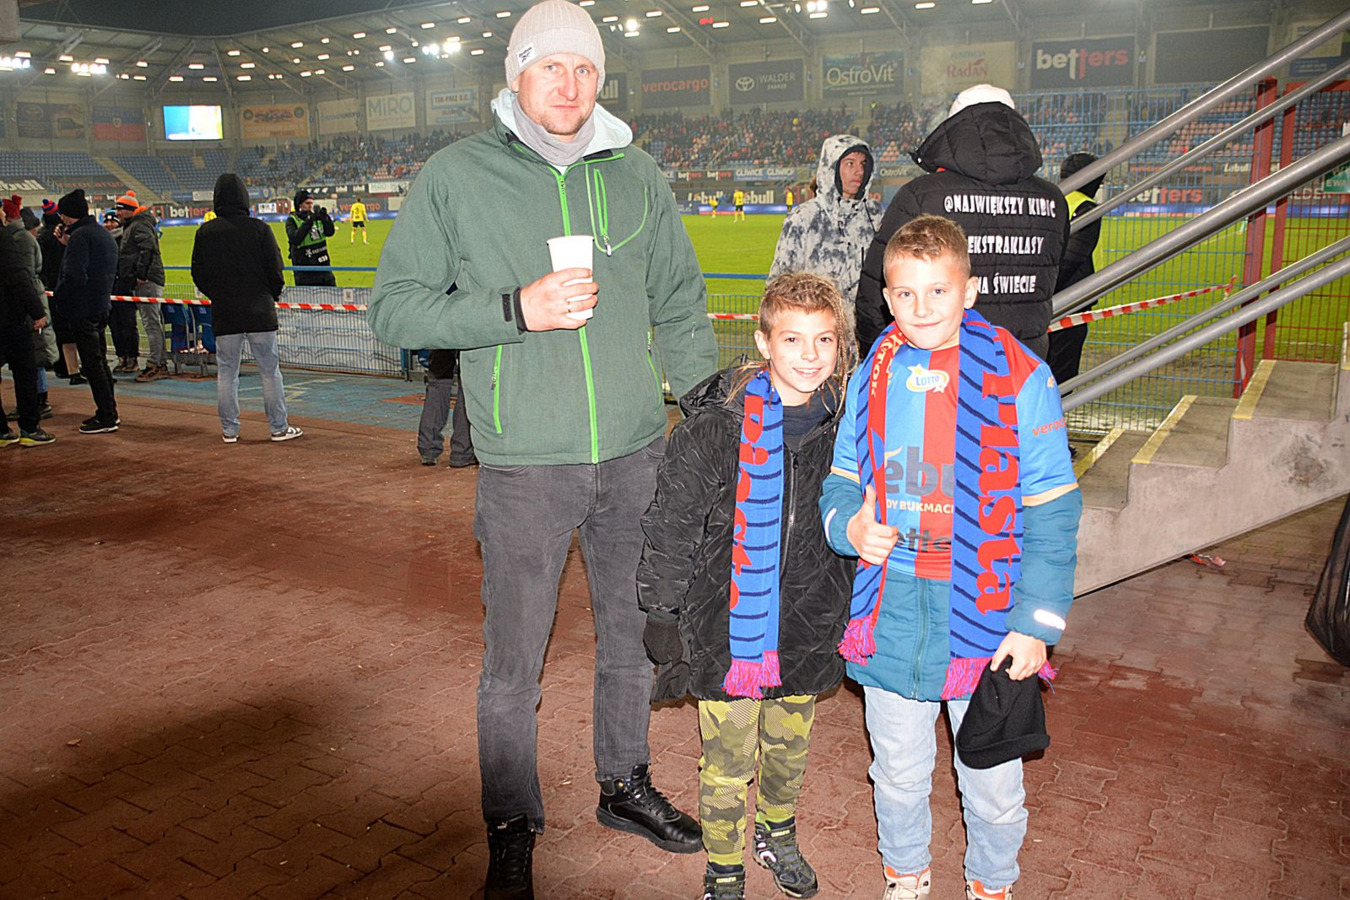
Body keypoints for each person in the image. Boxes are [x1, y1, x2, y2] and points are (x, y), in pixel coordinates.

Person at [367, 1, 719, 896]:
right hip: (524, 463)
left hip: (636, 454)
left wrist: (709, 412)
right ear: (517, 76)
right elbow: (394, 309)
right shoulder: (456, 176)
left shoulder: (637, 172)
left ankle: (624, 782)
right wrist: (513, 309)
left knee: (633, 638)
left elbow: (680, 299)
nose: (570, 84)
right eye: (551, 66)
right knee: (513, 662)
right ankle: (512, 821)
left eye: (585, 67)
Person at [819, 216, 1081, 900]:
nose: (921, 308)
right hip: (891, 611)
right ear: (887, 297)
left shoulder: (1021, 378)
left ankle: (991, 883)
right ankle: (905, 874)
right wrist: (849, 526)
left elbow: (1053, 511)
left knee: (991, 783)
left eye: (938, 291)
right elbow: (840, 479)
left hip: (987, 617)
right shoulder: (873, 373)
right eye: (905, 294)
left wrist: (1037, 624)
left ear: (969, 291)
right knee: (897, 773)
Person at [637, 272, 857, 900]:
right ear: (763, 342)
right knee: (728, 761)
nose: (809, 356)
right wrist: (662, 608)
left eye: (824, 340)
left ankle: (777, 833)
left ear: (840, 346)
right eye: (792, 339)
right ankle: (724, 865)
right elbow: (673, 522)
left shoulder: (849, 428)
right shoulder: (716, 429)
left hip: (810, 623)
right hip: (728, 630)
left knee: (788, 751)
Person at [856, 85, 1069, 360]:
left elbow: (876, 289)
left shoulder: (921, 195)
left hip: (937, 368)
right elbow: (1054, 276)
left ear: (954, 129)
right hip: (1023, 365)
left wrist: (877, 357)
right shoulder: (1053, 199)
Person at [191, 173, 303, 444]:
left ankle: (229, 431)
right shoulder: (259, 229)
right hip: (259, 310)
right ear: (244, 197)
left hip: (225, 311)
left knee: (227, 372)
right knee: (269, 371)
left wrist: (218, 295)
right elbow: (276, 268)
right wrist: (270, 294)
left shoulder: (205, 232)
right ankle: (278, 428)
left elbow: (198, 273)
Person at [770, 134, 881, 313]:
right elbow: (779, 283)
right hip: (817, 323)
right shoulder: (804, 218)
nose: (859, 171)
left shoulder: (875, 215)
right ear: (832, 168)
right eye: (850, 164)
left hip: (866, 327)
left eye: (863, 164)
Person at [53, 189, 120, 434]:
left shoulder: (80, 237)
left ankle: (107, 415)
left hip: (83, 308)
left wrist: (60, 296)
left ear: (66, 215)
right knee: (99, 361)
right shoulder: (101, 234)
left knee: (93, 365)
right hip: (101, 305)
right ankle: (108, 411)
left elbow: (74, 275)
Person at [0, 197, 56, 447]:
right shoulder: (5, 240)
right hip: (10, 318)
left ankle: (2, 431)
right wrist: (37, 311)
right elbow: (19, 277)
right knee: (25, 372)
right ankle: (30, 428)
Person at [1047, 153, 1105, 386]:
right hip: (1072, 297)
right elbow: (1073, 257)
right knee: (1062, 371)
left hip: (1041, 297)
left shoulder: (1049, 199)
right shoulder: (1085, 207)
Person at [114, 191, 169, 382]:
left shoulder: (139, 225)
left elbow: (148, 249)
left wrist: (141, 275)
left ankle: (156, 364)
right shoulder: (137, 225)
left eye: (120, 209)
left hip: (147, 280)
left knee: (151, 323)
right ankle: (159, 362)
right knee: (151, 322)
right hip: (145, 279)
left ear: (129, 210)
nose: (117, 213)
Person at [38, 199, 80, 385]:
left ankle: (62, 366)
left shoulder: (42, 238)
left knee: (57, 330)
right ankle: (74, 369)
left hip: (50, 287)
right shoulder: (62, 237)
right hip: (64, 287)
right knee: (71, 331)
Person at [21, 207, 56, 420]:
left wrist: (37, 313)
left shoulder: (24, 243)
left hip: (30, 303)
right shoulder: (29, 242)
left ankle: (39, 401)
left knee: (35, 353)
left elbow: (24, 278)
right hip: (34, 299)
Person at [416, 348, 475, 467]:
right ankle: (462, 452)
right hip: (468, 338)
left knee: (437, 384)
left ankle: (428, 448)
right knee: (467, 387)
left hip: (441, 338)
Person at [286, 190, 336, 287]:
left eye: (311, 203)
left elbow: (330, 232)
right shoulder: (292, 220)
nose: (310, 206)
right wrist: (308, 222)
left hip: (325, 270)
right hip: (305, 274)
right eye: (307, 203)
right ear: (299, 205)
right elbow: (295, 239)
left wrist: (325, 218)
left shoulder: (316, 218)